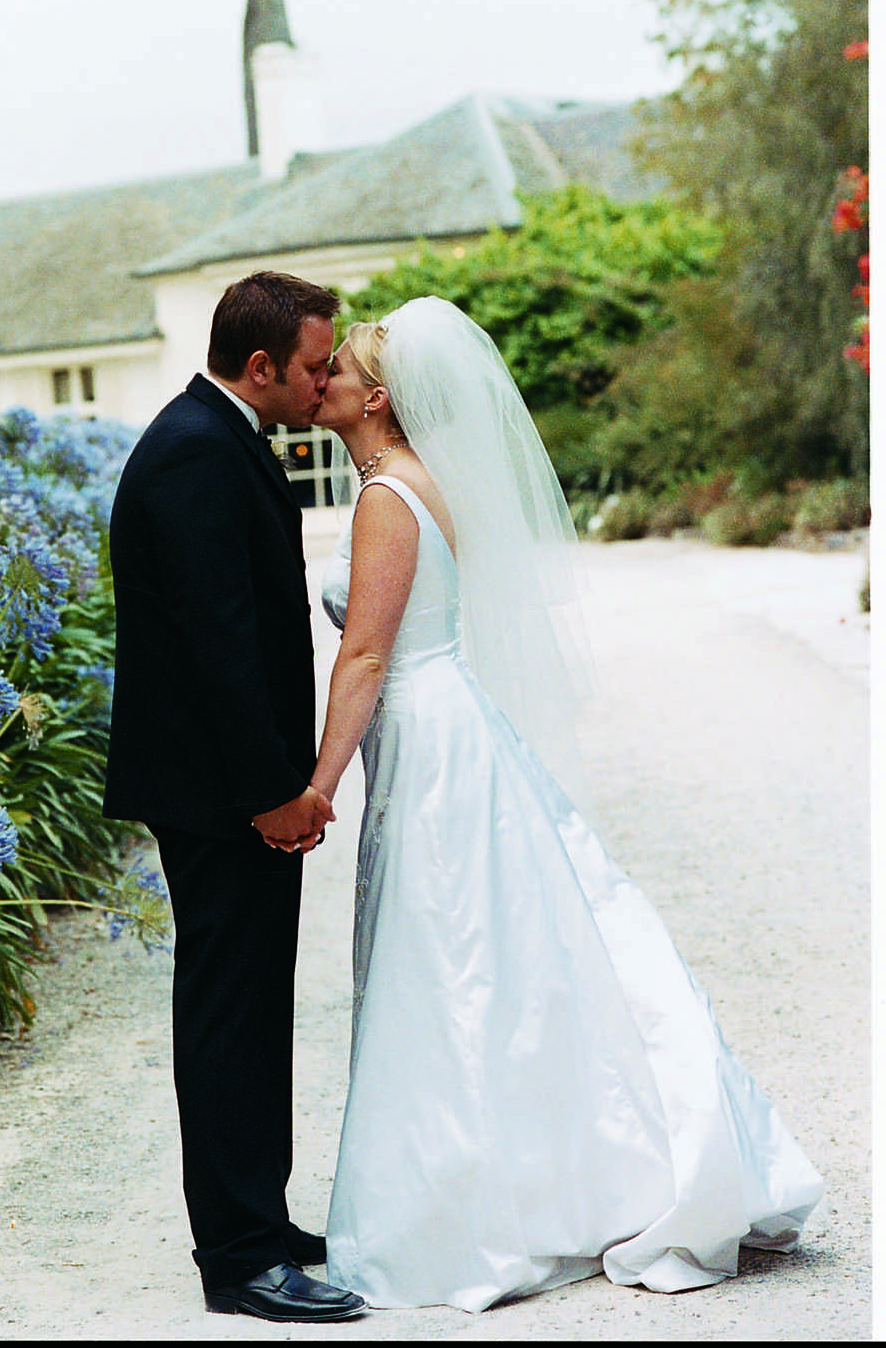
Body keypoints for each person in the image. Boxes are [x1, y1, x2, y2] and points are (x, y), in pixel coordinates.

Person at [303, 296, 823, 1313]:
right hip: (452, 721)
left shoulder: (382, 499)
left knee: (449, 958)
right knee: (491, 956)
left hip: (430, 732)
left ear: (379, 397)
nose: (320, 379)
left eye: (339, 371)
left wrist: (319, 783)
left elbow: (365, 654)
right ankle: (537, 1172)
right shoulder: (414, 483)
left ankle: (476, 1206)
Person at [103, 271, 367, 1324]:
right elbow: (217, 647)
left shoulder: (219, 437)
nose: (325, 379)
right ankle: (237, 1254)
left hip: (231, 787)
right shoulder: (194, 454)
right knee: (226, 1013)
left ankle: (260, 1216)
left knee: (254, 1008)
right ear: (260, 365)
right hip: (220, 794)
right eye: (314, 364)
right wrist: (275, 791)